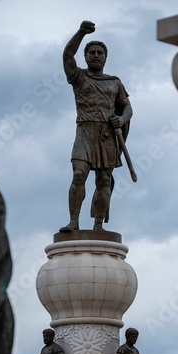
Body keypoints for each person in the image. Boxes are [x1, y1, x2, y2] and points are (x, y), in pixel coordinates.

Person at [60, 20, 133, 232]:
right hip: (84, 131)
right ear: (85, 56)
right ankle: (74, 221)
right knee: (79, 174)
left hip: (106, 135)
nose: (96, 55)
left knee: (103, 179)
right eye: (91, 52)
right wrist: (81, 33)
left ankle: (98, 225)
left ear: (105, 57)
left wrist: (122, 119)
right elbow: (66, 56)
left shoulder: (115, 82)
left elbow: (127, 108)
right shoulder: (79, 77)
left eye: (100, 52)